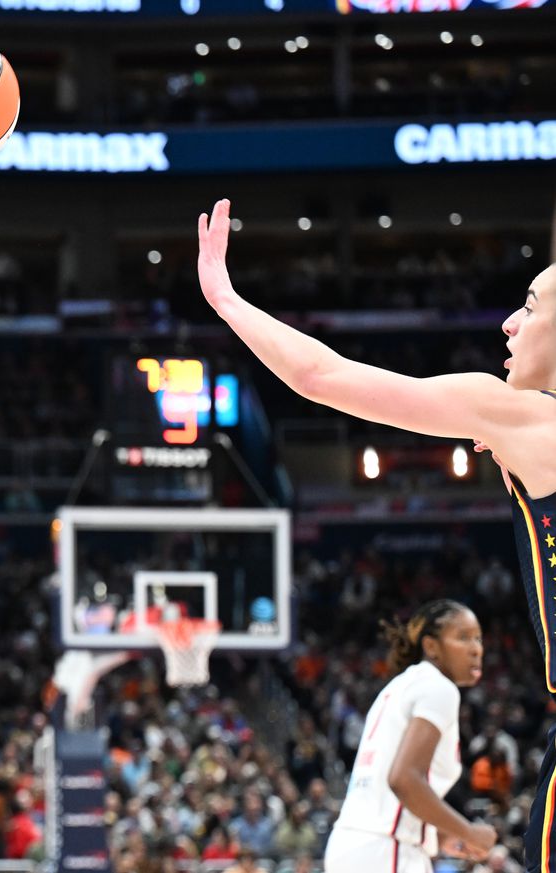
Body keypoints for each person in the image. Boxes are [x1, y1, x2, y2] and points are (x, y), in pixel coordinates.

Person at [198, 198, 556, 870]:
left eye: (532, 306)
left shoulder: (528, 421)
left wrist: (226, 300)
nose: (509, 322)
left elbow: (321, 376)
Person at [321, 599, 493, 870]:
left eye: (478, 639)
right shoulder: (439, 688)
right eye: (463, 638)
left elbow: (385, 793)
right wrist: (468, 832)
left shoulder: (398, 687)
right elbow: (403, 779)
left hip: (355, 845)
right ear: (431, 646)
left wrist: (436, 836)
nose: (476, 649)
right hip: (386, 849)